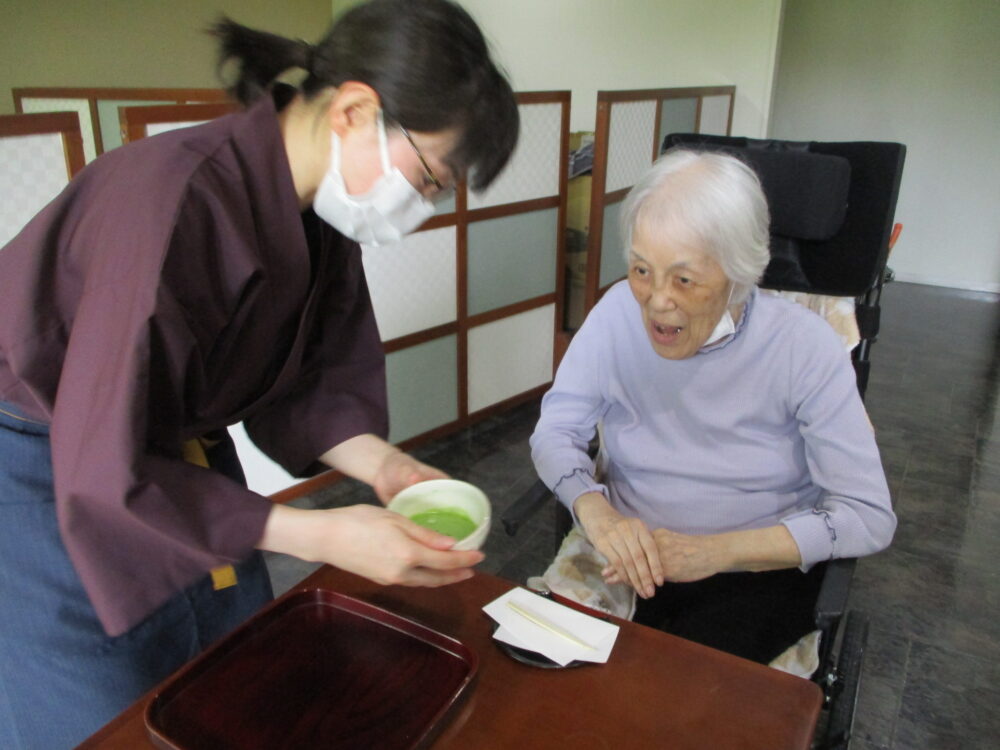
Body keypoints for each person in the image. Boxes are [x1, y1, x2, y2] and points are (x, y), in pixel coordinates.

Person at [0, 1, 518, 746]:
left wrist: (387, 468)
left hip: (155, 450)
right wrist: (321, 535)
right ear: (353, 109)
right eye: (432, 177)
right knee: (97, 709)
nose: (428, 204)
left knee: (233, 664)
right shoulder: (169, 199)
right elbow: (99, 453)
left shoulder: (320, 214)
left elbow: (308, 377)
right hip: (39, 465)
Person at [529, 149, 895, 664]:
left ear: (738, 274)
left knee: (690, 704)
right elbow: (555, 432)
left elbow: (868, 516)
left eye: (684, 279)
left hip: (753, 571)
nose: (656, 300)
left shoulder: (804, 346)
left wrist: (713, 552)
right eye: (640, 269)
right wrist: (598, 513)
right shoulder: (615, 314)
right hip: (624, 556)